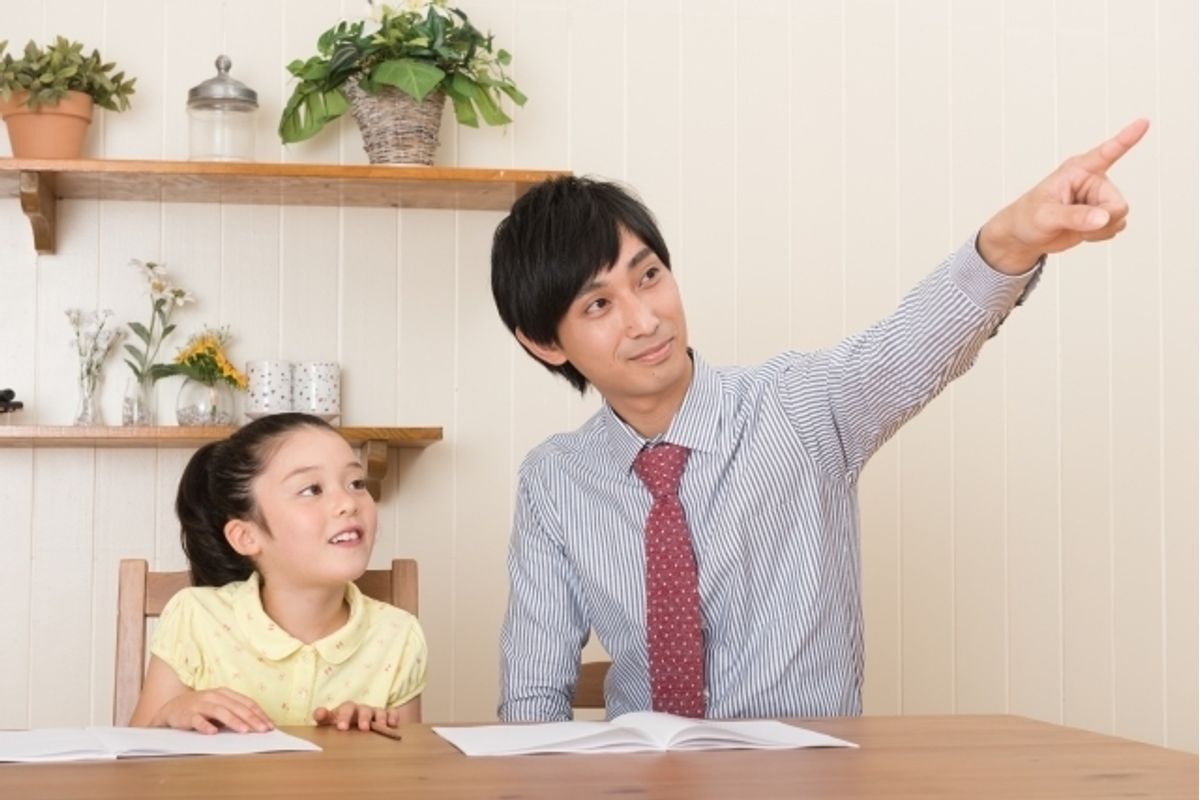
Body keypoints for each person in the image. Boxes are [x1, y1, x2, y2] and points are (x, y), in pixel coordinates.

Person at [490, 120, 1149, 722]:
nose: (644, 319)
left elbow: (910, 345)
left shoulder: (799, 407)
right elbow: (532, 697)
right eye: (599, 304)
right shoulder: (555, 481)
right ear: (546, 343)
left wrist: (1010, 239)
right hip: (642, 782)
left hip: (812, 780)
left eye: (650, 275)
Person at [129, 413, 427, 733]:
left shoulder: (398, 635)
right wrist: (170, 714)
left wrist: (372, 738)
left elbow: (410, 772)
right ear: (247, 537)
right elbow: (130, 771)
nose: (347, 503)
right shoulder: (195, 618)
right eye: (312, 489)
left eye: (356, 483)